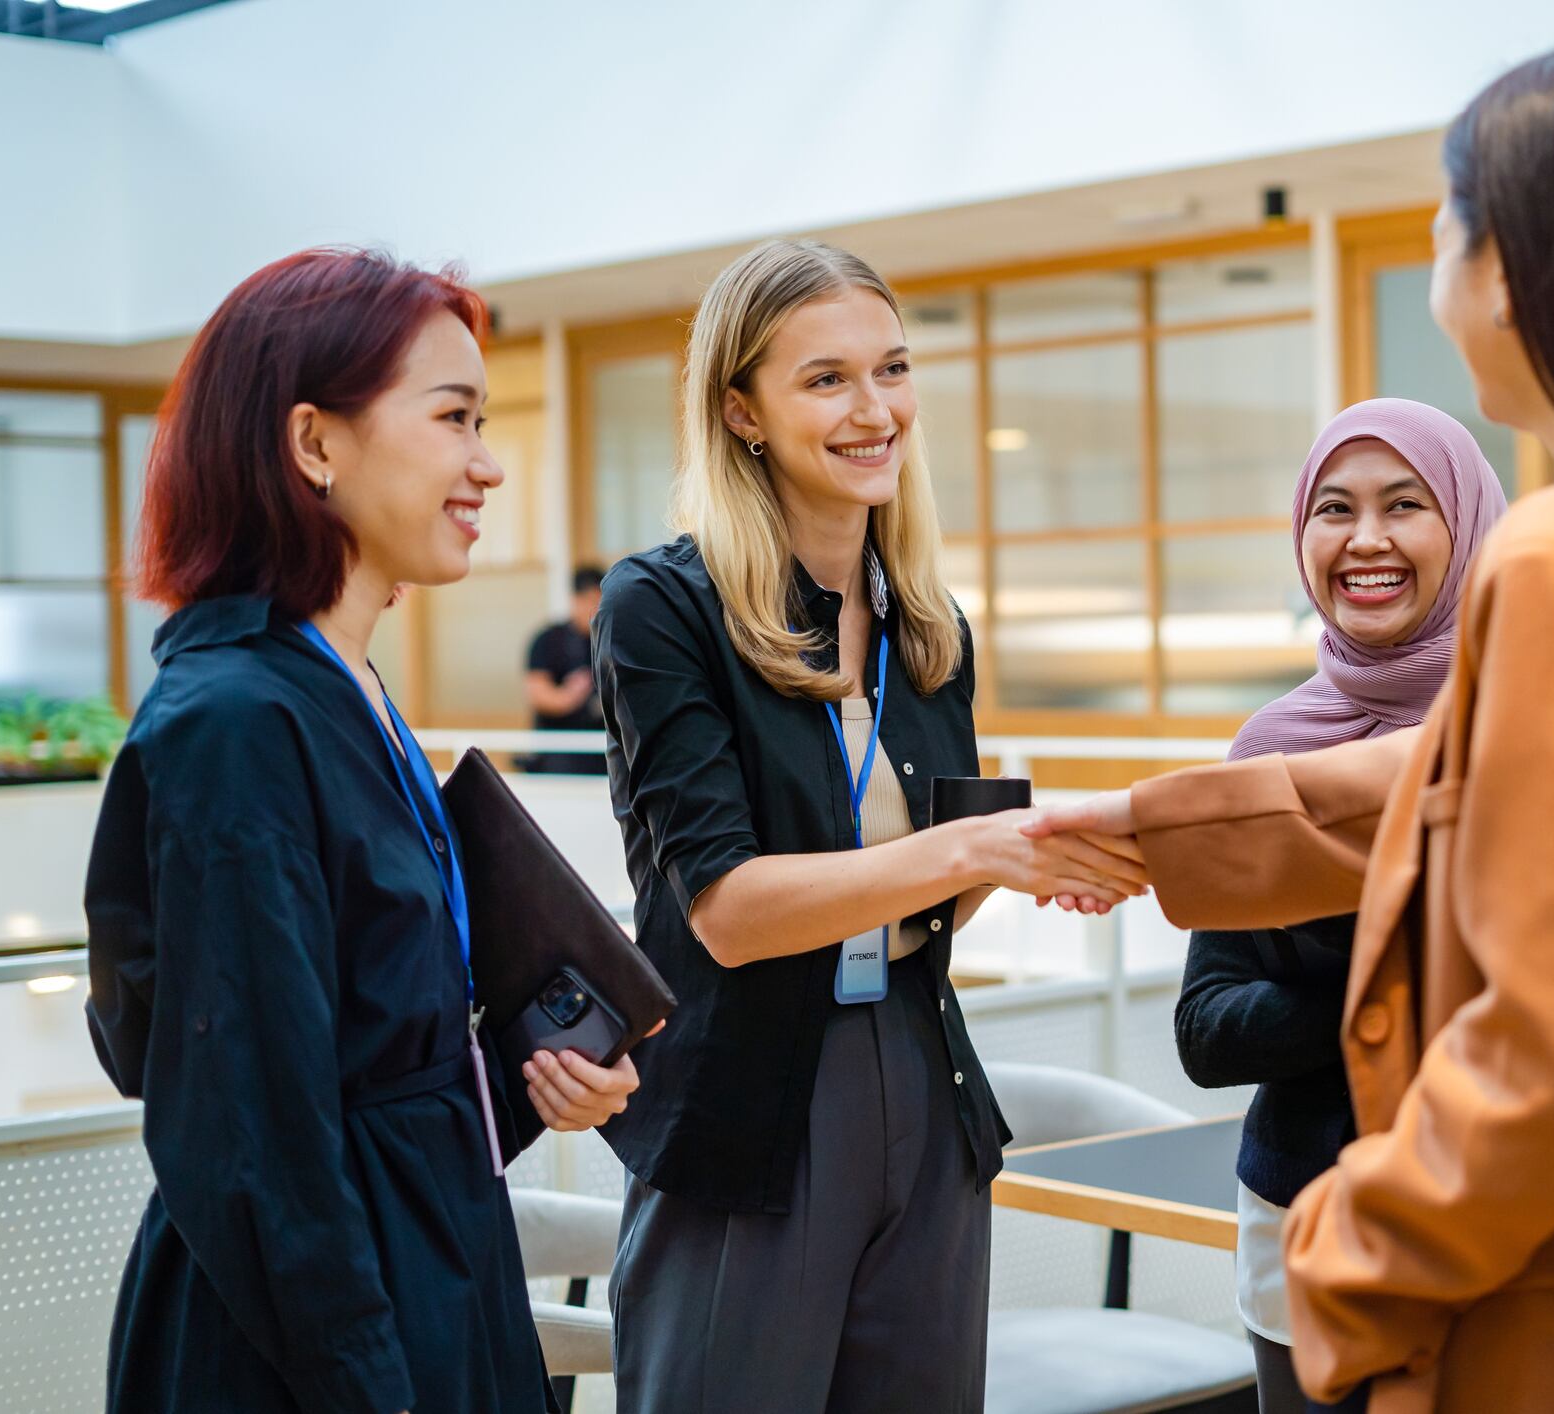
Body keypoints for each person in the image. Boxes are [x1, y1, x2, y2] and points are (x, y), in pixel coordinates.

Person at [1029, 46, 1554, 1414]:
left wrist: (1355, 1251)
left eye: (1443, 227)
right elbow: (1463, 788)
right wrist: (1149, 827)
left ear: (1508, 268)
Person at [84, 248, 643, 1414]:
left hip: (424, 1287)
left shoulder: (349, 695)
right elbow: (256, 1137)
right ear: (315, 446)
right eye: (454, 417)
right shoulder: (236, 721)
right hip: (306, 1350)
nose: (488, 464)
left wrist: (528, 1078)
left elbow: (378, 1073)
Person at [592, 238, 1146, 1414]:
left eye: (890, 370)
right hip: (755, 1094)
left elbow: (931, 885)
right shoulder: (664, 607)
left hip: (919, 1067)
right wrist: (966, 848)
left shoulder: (929, 624)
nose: (873, 408)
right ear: (741, 411)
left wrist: (1034, 860)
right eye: (826, 378)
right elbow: (731, 913)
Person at [1173, 399, 1504, 1414]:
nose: (1365, 539)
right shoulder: (1272, 747)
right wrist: (1390, 999)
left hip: (1508, 1212)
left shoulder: (1529, 722)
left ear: (1469, 524)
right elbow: (1206, 1031)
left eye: (1404, 504)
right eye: (1334, 508)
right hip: (1303, 1210)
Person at [522, 564, 608, 773]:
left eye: (601, 601)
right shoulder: (549, 639)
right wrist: (570, 695)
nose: (595, 607)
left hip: (604, 755)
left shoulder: (611, 640)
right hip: (558, 755)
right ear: (574, 600)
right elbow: (538, 694)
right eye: (589, 600)